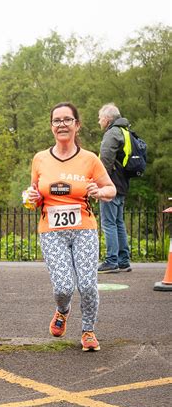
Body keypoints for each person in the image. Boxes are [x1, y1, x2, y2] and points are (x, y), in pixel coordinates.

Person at [26, 102, 116, 352]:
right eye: (57, 120)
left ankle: (88, 331)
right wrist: (31, 199)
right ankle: (62, 310)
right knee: (64, 287)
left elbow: (111, 189)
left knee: (87, 284)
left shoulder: (90, 159)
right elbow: (32, 193)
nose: (62, 124)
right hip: (51, 232)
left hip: (84, 229)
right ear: (51, 126)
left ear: (77, 125)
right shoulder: (40, 159)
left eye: (67, 120)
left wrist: (99, 191)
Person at [97, 103, 133, 273]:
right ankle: (123, 260)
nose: (99, 121)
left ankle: (111, 260)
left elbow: (104, 160)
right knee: (118, 222)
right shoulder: (125, 131)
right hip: (122, 183)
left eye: (100, 118)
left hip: (111, 184)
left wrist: (100, 184)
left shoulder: (112, 133)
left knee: (109, 223)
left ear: (107, 119)